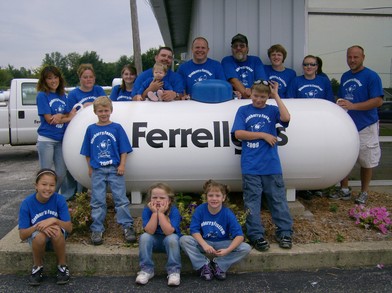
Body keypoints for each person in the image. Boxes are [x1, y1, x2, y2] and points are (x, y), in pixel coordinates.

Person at [231, 79, 293, 251]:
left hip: (271, 165)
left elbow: (286, 118)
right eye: (256, 96)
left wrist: (276, 95)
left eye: (263, 97)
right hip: (251, 166)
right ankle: (256, 235)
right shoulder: (243, 110)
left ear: (267, 97)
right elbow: (239, 133)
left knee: (278, 200)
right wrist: (263, 135)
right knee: (252, 203)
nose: (259, 100)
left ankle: (285, 232)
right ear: (250, 93)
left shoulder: (272, 110)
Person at [329, 45, 383, 205]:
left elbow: (378, 101)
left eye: (355, 57)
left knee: (366, 160)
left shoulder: (371, 76)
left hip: (366, 125)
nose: (352, 60)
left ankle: (364, 191)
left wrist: (354, 106)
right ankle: (344, 189)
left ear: (363, 57)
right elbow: (343, 98)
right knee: (345, 157)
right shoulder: (345, 76)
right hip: (347, 125)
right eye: (349, 57)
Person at [80, 96, 136, 245]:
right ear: (95, 112)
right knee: (97, 200)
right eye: (100, 111)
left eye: (106, 110)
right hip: (98, 170)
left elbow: (124, 149)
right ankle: (97, 228)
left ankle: (127, 226)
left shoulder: (116, 128)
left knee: (121, 199)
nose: (103, 114)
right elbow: (87, 151)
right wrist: (90, 167)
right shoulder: (91, 129)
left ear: (111, 110)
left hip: (114, 169)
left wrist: (122, 165)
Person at [180, 180, 251, 281]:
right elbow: (194, 230)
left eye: (217, 195)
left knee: (245, 248)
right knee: (184, 240)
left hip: (222, 244)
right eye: (211, 195)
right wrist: (204, 245)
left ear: (223, 198)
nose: (214, 198)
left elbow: (239, 236)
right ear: (206, 197)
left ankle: (219, 264)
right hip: (205, 242)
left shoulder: (227, 213)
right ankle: (204, 265)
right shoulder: (200, 209)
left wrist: (228, 250)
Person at [18, 168, 73, 286]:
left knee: (56, 230)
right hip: (37, 240)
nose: (48, 188)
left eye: (52, 185)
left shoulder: (59, 199)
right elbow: (22, 235)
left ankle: (62, 266)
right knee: (40, 236)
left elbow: (69, 228)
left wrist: (53, 220)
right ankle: (37, 267)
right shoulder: (27, 203)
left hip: (57, 240)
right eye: (44, 184)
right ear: (36, 185)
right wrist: (38, 227)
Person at [65, 63, 106, 197]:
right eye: (85, 77)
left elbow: (107, 105)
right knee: (77, 164)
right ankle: (75, 195)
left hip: (97, 131)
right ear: (80, 78)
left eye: (91, 77)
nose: (88, 79)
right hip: (79, 134)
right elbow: (69, 115)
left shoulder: (99, 90)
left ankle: (83, 194)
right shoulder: (73, 95)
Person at [36, 65, 76, 199]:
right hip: (46, 140)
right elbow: (49, 120)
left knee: (61, 173)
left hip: (61, 140)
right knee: (45, 174)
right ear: (44, 81)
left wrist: (61, 116)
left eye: (55, 77)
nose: (53, 81)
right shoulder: (42, 96)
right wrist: (65, 117)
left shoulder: (63, 95)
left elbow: (67, 115)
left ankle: (50, 197)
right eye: (49, 78)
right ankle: (41, 200)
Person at [136, 183, 182, 286]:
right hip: (154, 242)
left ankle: (174, 271)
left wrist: (160, 214)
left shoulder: (173, 211)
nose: (157, 200)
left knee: (172, 238)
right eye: (154, 197)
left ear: (169, 200)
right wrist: (155, 213)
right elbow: (150, 231)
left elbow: (169, 231)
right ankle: (147, 270)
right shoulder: (148, 211)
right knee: (144, 237)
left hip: (170, 243)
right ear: (149, 200)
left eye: (162, 198)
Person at [221, 33, 267, 99]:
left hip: (256, 98)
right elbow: (234, 82)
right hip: (237, 100)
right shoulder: (227, 61)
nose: (238, 48)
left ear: (247, 48)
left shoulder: (256, 60)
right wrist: (250, 97)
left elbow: (261, 81)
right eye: (235, 46)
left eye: (242, 46)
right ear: (232, 49)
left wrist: (252, 93)